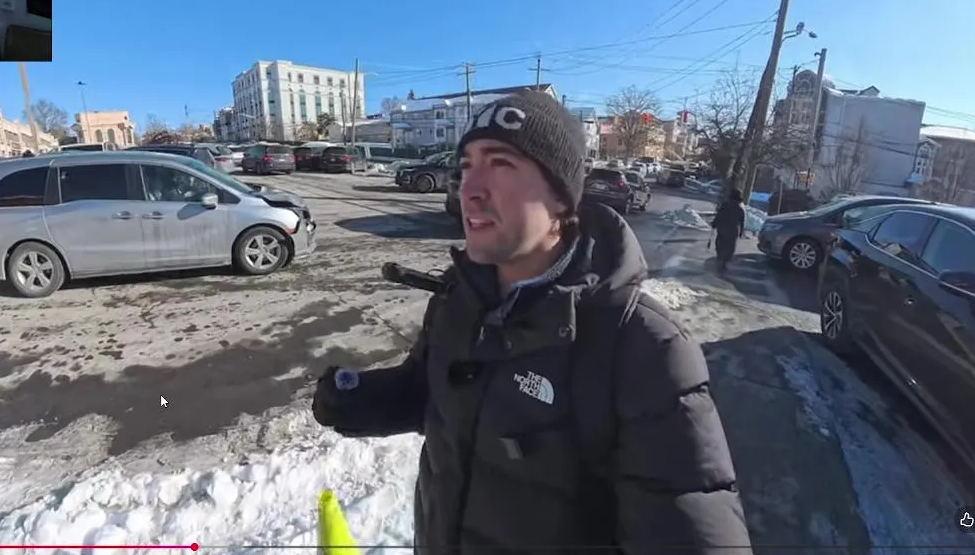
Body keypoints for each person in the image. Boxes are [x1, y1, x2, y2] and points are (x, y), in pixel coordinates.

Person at [312, 90, 752, 554]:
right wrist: (356, 400)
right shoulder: (459, 296)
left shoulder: (642, 346)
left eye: (500, 163)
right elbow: (433, 393)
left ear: (561, 199)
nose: (469, 188)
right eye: (466, 167)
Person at [710, 188, 747, 275]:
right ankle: (724, 262)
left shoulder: (725, 205)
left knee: (720, 244)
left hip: (723, 227)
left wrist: (714, 223)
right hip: (733, 230)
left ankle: (720, 258)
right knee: (730, 247)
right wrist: (741, 231)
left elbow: (719, 215)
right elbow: (742, 221)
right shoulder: (741, 207)